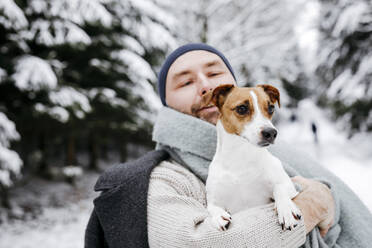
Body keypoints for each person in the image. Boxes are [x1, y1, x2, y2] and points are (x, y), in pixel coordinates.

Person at [85, 43, 372, 248]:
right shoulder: (161, 177)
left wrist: (323, 194)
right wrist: (312, 205)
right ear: (167, 105)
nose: (205, 88)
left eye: (214, 73)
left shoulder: (274, 152)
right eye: (185, 82)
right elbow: (198, 244)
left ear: (232, 87)